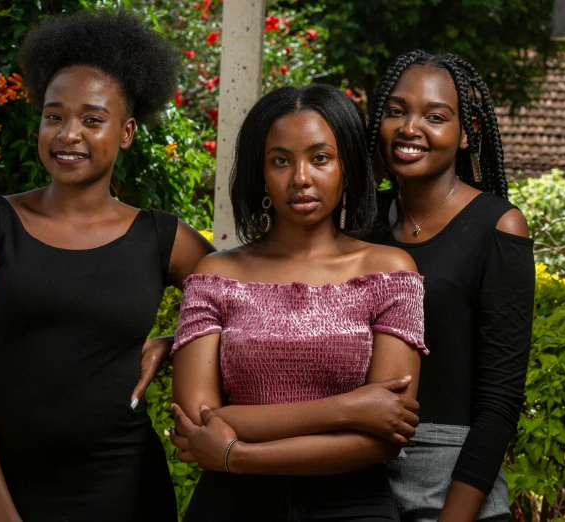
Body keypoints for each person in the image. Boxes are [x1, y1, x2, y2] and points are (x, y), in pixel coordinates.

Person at [0, 10, 213, 521]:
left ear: (127, 132)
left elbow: (249, 301)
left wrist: (177, 342)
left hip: (127, 494)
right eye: (54, 116)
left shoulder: (160, 237)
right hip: (11, 499)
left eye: (92, 119)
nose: (69, 134)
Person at [167, 84, 428, 522]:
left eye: (320, 158)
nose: (300, 177)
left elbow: (386, 435)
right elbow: (197, 422)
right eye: (280, 160)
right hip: (231, 508)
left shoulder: (390, 271)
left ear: (347, 167)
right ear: (261, 172)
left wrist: (236, 454)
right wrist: (349, 407)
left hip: (353, 507)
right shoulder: (215, 275)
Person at [364, 50, 535, 522]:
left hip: (452, 486)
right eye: (396, 111)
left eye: (434, 117)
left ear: (465, 135)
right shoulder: (359, 222)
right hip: (353, 478)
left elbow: (500, 403)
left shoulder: (499, 227)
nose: (409, 128)